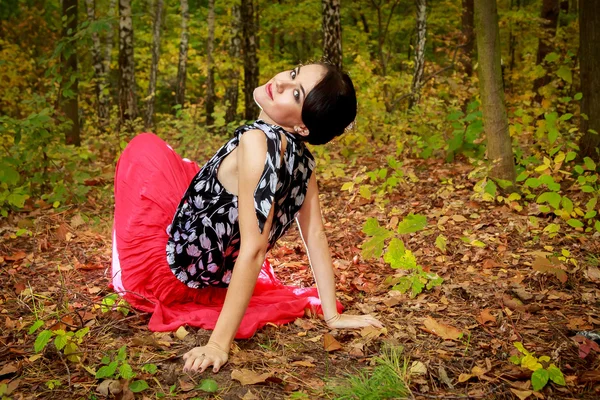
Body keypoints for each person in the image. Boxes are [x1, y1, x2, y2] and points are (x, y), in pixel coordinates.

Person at [111, 62, 382, 375]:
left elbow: (255, 248)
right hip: (215, 273)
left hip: (173, 273)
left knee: (145, 147)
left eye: (295, 94)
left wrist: (218, 344)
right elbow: (316, 236)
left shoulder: (256, 142)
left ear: (303, 127)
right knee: (186, 168)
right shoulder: (304, 163)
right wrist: (331, 313)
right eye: (293, 73)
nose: (280, 83)